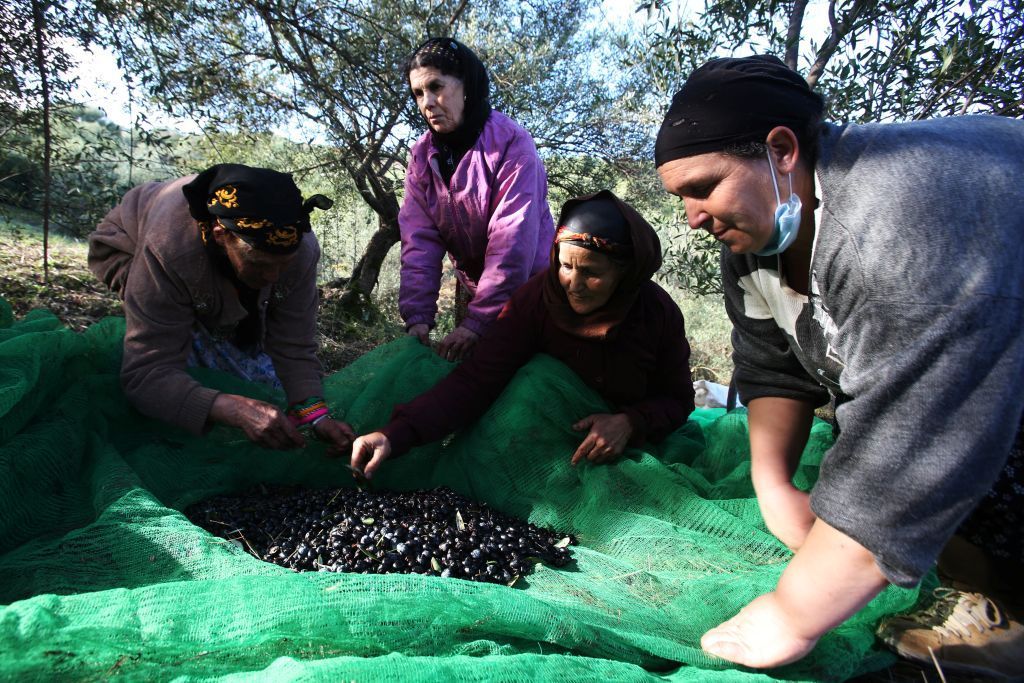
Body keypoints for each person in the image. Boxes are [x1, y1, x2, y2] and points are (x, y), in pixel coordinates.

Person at [654, 55, 1024, 676]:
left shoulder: (899, 225)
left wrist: (792, 614)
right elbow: (773, 365)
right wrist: (773, 487)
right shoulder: (758, 229)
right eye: (680, 197)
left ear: (781, 150)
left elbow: (915, 445)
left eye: (703, 187)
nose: (692, 218)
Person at [351, 191, 694, 477]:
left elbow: (678, 400)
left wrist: (630, 422)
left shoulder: (657, 315)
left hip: (624, 453)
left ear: (626, 273)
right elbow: (476, 381)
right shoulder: (535, 301)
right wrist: (396, 435)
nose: (573, 284)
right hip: (537, 451)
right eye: (566, 265)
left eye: (592, 273)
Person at [88, 163, 355, 454]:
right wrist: (229, 408)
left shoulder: (300, 252)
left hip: (216, 264)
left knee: (260, 376)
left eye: (283, 265)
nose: (272, 278)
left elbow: (294, 345)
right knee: (196, 356)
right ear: (220, 235)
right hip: (127, 247)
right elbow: (146, 373)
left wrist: (315, 416)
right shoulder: (169, 248)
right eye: (260, 264)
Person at [399, 37, 554, 362]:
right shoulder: (423, 156)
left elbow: (512, 242)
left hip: (534, 293)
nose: (427, 102)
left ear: (466, 86)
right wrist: (418, 316)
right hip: (476, 291)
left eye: (436, 86)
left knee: (518, 383)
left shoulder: (511, 144)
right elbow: (419, 241)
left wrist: (478, 321)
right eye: (417, 93)